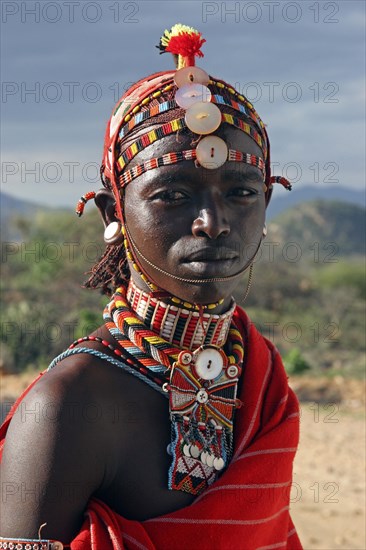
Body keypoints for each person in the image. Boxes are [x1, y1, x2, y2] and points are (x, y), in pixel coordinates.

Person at [0, 24, 302, 549]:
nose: (213, 221)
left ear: (267, 205)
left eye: (241, 192)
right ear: (112, 211)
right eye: (173, 194)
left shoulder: (260, 374)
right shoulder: (69, 404)